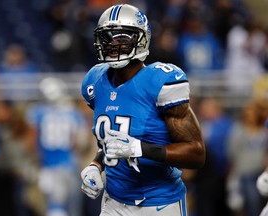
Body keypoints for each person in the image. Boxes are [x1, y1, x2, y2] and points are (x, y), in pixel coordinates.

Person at [80, 4, 206, 216]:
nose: (112, 44)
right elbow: (115, 142)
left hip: (159, 203)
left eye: (122, 38)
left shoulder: (160, 81)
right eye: (107, 38)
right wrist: (96, 164)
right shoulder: (95, 81)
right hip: (114, 202)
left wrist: (141, 149)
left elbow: (196, 154)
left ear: (141, 39)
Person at [26, 77, 89, 216]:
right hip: (69, 165)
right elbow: (80, 142)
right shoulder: (73, 112)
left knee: (51, 207)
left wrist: (36, 159)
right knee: (72, 209)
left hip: (47, 165)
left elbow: (31, 140)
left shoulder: (37, 111)